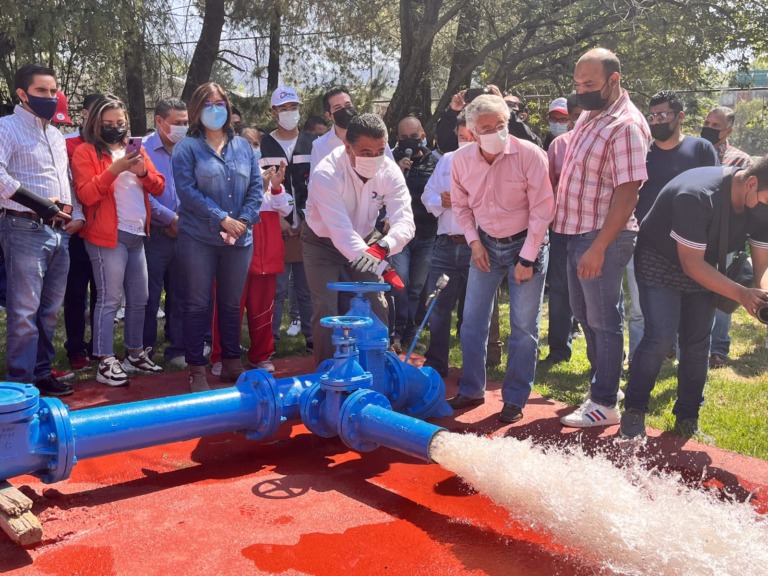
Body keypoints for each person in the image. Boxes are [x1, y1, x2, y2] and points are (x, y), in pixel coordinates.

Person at [619, 159, 768, 440]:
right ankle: (634, 411)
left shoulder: (759, 202)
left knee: (698, 342)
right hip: (660, 262)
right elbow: (691, 264)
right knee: (660, 337)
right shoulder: (698, 195)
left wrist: (763, 294)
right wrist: (741, 294)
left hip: (706, 265)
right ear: (751, 183)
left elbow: (763, 265)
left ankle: (688, 417)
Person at [555, 48, 651, 428]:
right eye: (578, 83)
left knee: (603, 321)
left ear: (614, 80)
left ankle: (606, 401)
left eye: (590, 84)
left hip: (601, 237)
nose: (582, 91)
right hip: (577, 232)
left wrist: (599, 247)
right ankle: (601, 388)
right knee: (586, 317)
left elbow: (628, 193)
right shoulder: (594, 114)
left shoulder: (625, 124)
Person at [448, 95, 554, 424]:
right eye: (486, 128)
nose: (495, 132)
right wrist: (474, 243)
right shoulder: (460, 160)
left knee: (524, 326)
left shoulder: (530, 155)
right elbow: (461, 206)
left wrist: (527, 257)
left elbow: (542, 209)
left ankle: (515, 397)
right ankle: (471, 388)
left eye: (501, 125)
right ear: (471, 132)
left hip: (527, 242)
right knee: (472, 321)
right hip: (485, 245)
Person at [172, 82, 263, 392]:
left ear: (229, 107)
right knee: (198, 302)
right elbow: (187, 192)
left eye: (220, 103)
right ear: (196, 111)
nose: (215, 110)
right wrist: (221, 218)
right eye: (208, 104)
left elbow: (255, 188)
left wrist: (244, 220)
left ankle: (231, 363)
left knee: (231, 303)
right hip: (199, 237)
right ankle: (196, 368)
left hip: (239, 237)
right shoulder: (187, 148)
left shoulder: (245, 148)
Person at [303, 113, 415, 365]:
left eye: (380, 150)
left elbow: (405, 220)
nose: (374, 158)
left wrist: (385, 246)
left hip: (368, 238)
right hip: (322, 242)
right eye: (365, 152)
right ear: (347, 146)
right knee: (326, 309)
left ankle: (378, 369)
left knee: (376, 302)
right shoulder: (326, 173)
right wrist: (380, 264)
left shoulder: (390, 169)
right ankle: (328, 374)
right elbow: (341, 232)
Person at [71, 95, 166, 386]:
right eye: (108, 123)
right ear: (96, 124)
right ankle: (104, 359)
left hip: (137, 234)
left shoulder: (134, 149)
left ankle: (134, 353)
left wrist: (143, 172)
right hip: (106, 236)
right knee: (109, 299)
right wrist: (116, 169)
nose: (115, 127)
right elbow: (86, 195)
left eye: (120, 122)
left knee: (140, 298)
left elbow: (159, 187)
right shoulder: (86, 152)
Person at [0, 63, 78, 396]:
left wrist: (72, 214)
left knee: (48, 311)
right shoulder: (6, 127)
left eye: (53, 91)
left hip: (59, 232)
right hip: (23, 227)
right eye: (41, 91)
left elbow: (64, 181)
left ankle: (42, 372)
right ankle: (19, 384)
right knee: (23, 311)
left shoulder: (56, 135)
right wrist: (41, 205)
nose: (49, 97)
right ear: (22, 94)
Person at [625, 91, 718, 366]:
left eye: (663, 115)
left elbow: (715, 193)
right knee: (640, 311)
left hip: (691, 245)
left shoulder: (700, 149)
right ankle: (638, 362)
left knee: (689, 313)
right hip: (645, 246)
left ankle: (679, 361)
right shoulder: (642, 151)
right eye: (652, 116)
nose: (656, 121)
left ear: (680, 116)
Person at [259, 86, 316, 356]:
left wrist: (305, 219)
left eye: (294, 108)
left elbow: (318, 186)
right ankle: (269, 341)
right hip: (274, 226)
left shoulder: (312, 144)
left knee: (306, 289)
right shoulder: (263, 145)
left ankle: (313, 338)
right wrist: (278, 220)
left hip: (308, 226)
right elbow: (258, 188)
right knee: (277, 288)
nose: (290, 113)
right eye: (284, 109)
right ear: (273, 113)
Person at [421, 112, 475, 376]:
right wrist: (439, 200)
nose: (465, 141)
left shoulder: (491, 162)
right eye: (461, 136)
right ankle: (436, 364)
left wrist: (465, 200)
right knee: (438, 308)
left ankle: (475, 367)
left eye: (471, 137)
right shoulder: (446, 160)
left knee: (475, 311)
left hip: (477, 244)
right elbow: (427, 194)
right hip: (445, 244)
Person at [700, 106, 753, 369]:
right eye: (706, 122)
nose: (708, 128)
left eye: (715, 125)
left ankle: (717, 349)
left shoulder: (741, 160)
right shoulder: (696, 151)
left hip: (725, 238)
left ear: (729, 130)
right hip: (695, 233)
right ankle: (679, 344)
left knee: (723, 291)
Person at [141, 97, 189, 368]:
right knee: (148, 295)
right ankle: (144, 350)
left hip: (184, 233)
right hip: (154, 234)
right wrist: (171, 219)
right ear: (159, 121)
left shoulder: (190, 149)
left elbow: (196, 187)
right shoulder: (143, 149)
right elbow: (141, 194)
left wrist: (182, 221)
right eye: (176, 123)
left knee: (182, 293)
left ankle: (178, 349)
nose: (182, 128)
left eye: (185, 123)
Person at [389, 116, 439, 353]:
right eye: (404, 138)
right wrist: (399, 171)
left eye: (414, 136)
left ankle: (411, 331)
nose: (410, 142)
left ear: (423, 135)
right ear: (397, 139)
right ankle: (396, 332)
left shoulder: (436, 161)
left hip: (427, 234)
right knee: (400, 282)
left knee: (417, 286)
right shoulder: (389, 159)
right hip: (400, 235)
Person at [63, 93, 103, 371]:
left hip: (106, 231)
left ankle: (100, 346)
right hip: (77, 231)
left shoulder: (111, 145)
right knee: (75, 292)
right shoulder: (67, 144)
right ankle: (76, 348)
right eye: (96, 114)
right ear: (84, 114)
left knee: (103, 292)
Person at [543, 94, 583, 365]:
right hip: (562, 229)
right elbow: (548, 186)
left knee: (600, 294)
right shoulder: (558, 146)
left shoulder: (609, 141)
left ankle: (606, 357)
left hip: (597, 230)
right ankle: (559, 349)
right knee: (559, 289)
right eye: (576, 115)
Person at [310, 86, 394, 173]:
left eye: (348, 105)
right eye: (338, 108)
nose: (345, 111)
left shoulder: (375, 137)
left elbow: (391, 173)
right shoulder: (320, 146)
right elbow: (315, 182)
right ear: (329, 115)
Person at [434, 85, 541, 153]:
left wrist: (503, 108)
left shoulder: (520, 147)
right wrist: (452, 112)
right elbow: (445, 144)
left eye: (510, 105)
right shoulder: (459, 158)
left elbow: (533, 144)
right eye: (485, 129)